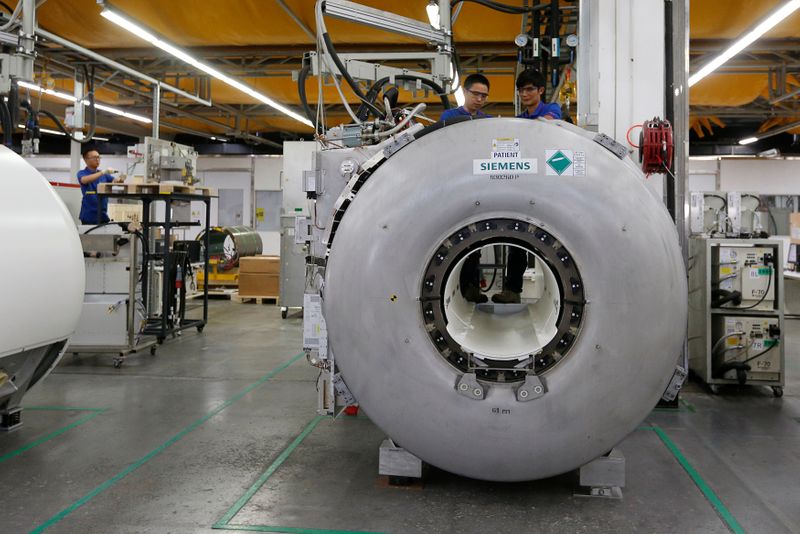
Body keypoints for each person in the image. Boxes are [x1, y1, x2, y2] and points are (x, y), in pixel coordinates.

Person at [492, 70, 561, 304]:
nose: (525, 94)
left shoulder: (552, 110)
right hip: (525, 185)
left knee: (554, 242)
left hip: (551, 187)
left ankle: (561, 291)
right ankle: (512, 290)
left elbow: (548, 126)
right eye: (521, 90)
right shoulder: (519, 118)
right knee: (516, 239)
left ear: (541, 90)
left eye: (530, 89)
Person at [441, 74, 492, 303]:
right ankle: (451, 290)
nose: (480, 99)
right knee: (455, 243)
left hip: (480, 187)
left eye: (484, 96)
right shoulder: (450, 117)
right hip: (455, 186)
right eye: (476, 94)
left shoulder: (487, 121)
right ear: (465, 92)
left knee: (476, 241)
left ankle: (471, 289)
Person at [77, 148, 124, 225]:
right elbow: (84, 180)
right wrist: (102, 172)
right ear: (86, 160)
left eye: (98, 157)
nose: (97, 159)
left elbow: (115, 182)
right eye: (94, 157)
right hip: (89, 215)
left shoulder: (104, 175)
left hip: (102, 214)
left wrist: (121, 179)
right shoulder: (82, 173)